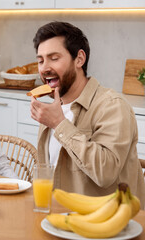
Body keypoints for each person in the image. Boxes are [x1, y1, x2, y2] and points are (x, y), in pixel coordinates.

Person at [30, 21, 145, 207]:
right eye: (40, 60)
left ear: (79, 59)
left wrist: (59, 124)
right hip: (58, 216)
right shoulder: (52, 109)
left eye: (54, 58)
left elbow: (105, 173)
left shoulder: (112, 106)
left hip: (106, 222)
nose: (44, 68)